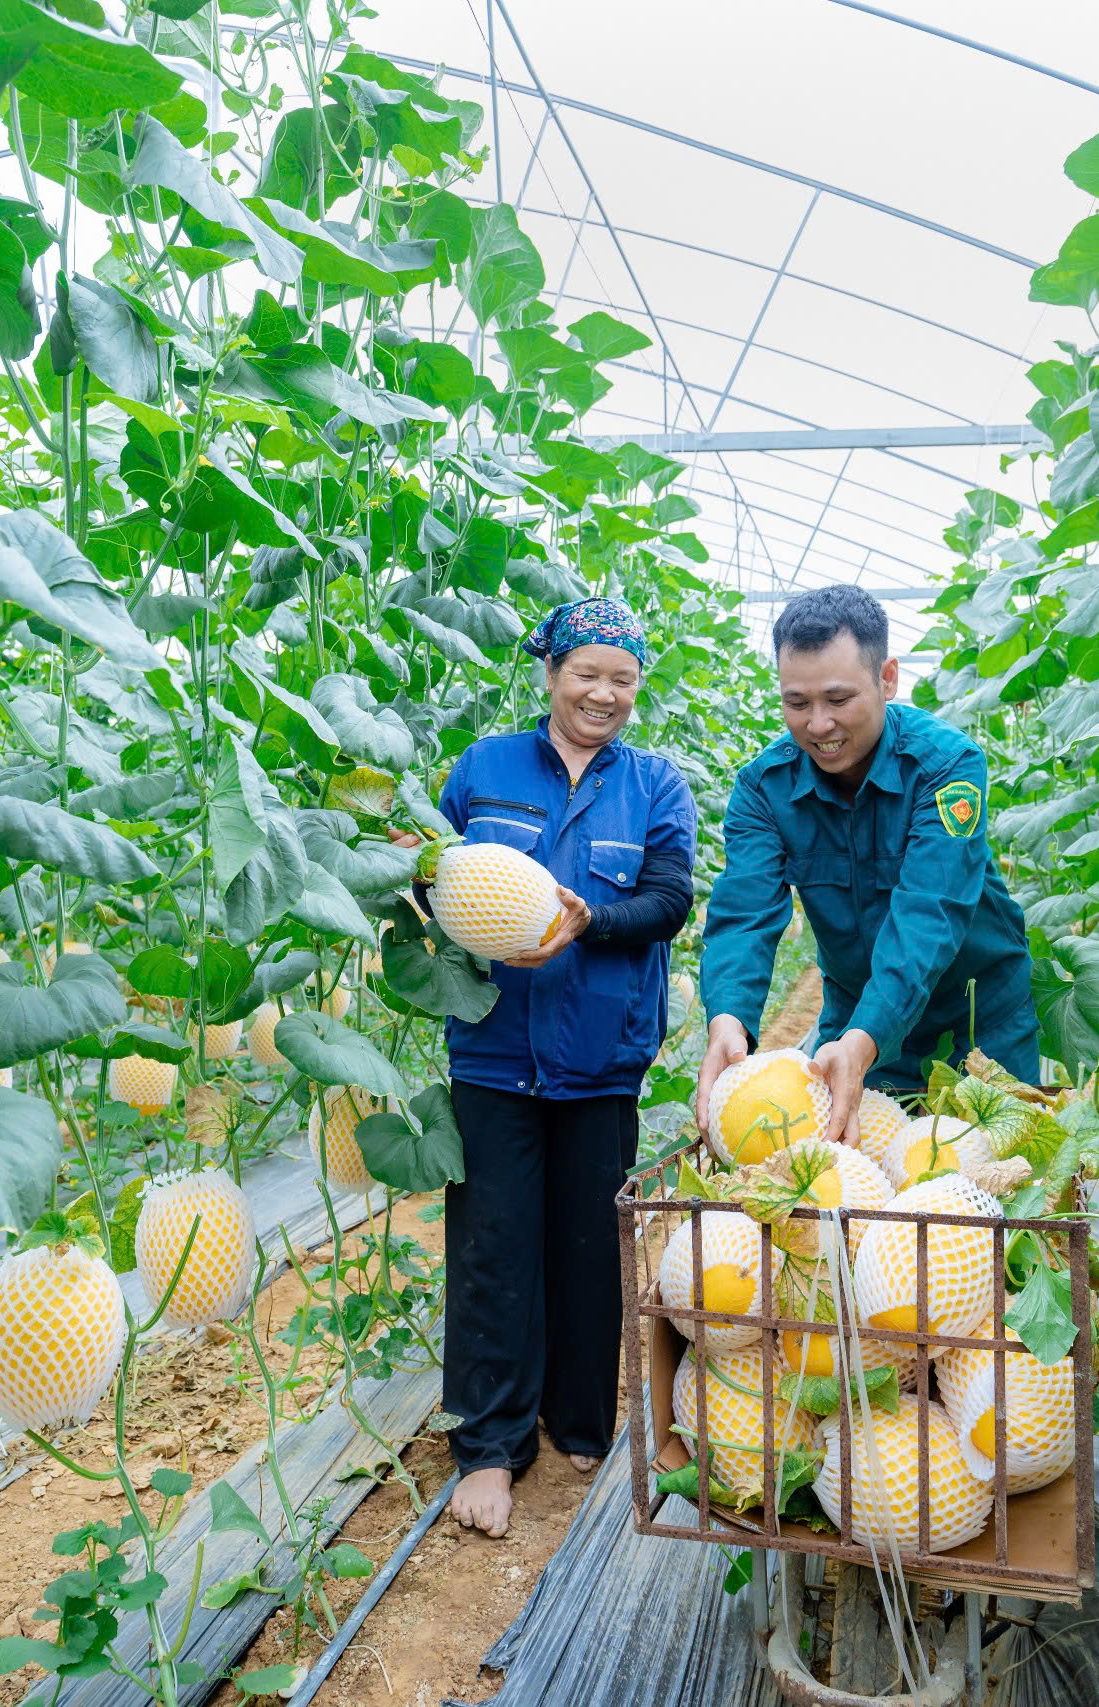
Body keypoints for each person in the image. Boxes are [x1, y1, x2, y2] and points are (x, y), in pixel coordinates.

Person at [426, 596, 696, 1538]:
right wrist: (427, 883)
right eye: (587, 673)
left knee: (589, 1249)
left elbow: (670, 898)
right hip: (494, 1048)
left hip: (601, 1052)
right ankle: (489, 1447)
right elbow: (432, 876)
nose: (604, 693)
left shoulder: (655, 784)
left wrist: (593, 919)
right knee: (492, 1247)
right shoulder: (484, 767)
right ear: (551, 673)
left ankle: (579, 1417)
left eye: (623, 680)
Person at [695, 584, 1036, 1147]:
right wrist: (727, 1019)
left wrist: (867, 1033)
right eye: (797, 703)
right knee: (857, 1179)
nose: (818, 724)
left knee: (991, 1176)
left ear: (887, 679)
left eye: (839, 699)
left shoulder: (946, 766)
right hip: (854, 1021)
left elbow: (930, 914)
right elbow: (744, 915)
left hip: (978, 1020)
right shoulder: (764, 788)